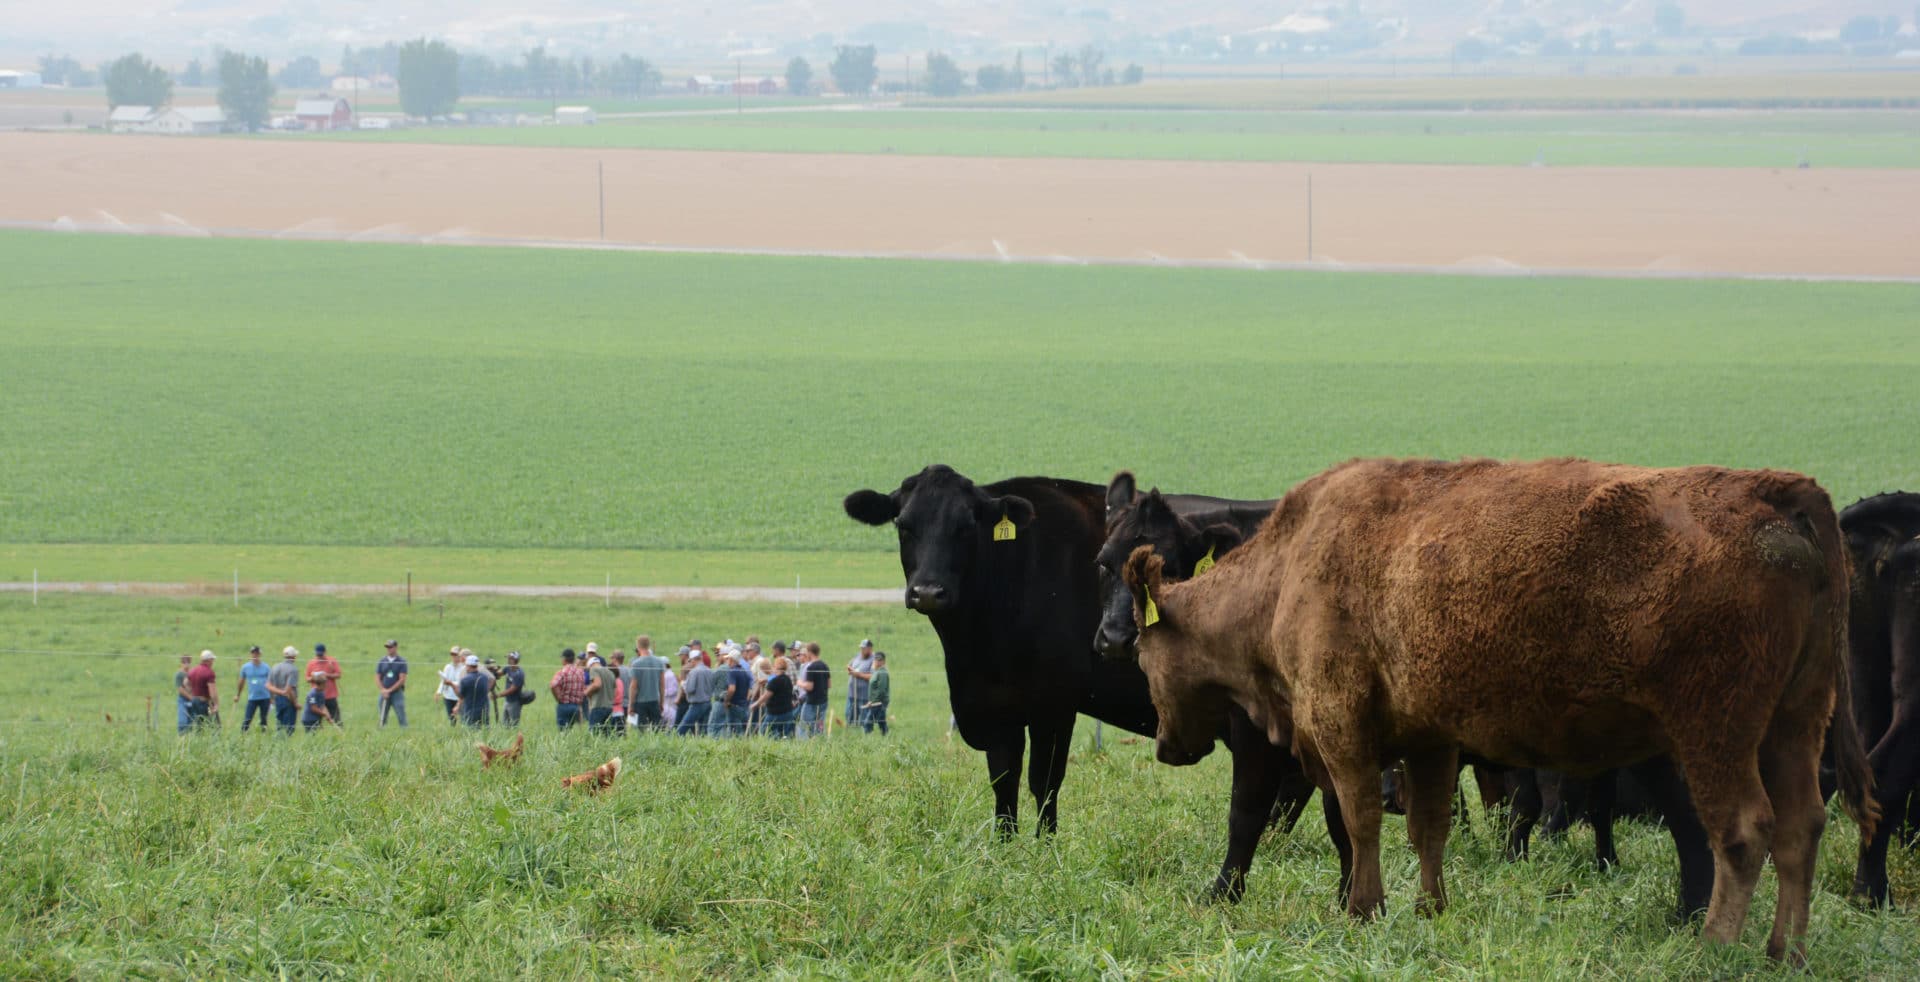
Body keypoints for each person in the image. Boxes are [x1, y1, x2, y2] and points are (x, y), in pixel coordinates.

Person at [626, 635, 667, 731]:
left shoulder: (636, 664)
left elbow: (633, 687)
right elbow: (662, 685)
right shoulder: (659, 662)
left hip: (640, 703)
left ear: (638, 646)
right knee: (658, 730)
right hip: (654, 701)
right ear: (648, 645)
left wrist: (631, 706)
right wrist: (661, 702)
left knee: (641, 731)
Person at [709, 649, 752, 737]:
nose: (727, 661)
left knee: (733, 732)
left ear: (731, 659)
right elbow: (749, 689)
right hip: (743, 706)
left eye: (728, 659)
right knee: (740, 731)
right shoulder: (744, 671)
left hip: (734, 706)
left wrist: (727, 701)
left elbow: (732, 689)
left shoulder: (732, 671)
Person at [753, 655, 797, 738]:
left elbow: (766, 695)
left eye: (774, 665)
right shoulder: (787, 679)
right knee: (783, 735)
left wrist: (755, 704)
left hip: (775, 713)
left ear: (777, 667)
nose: (773, 667)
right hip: (787, 712)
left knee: (765, 731)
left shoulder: (775, 681)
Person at [676, 651, 715, 736]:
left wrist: (683, 683)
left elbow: (690, 689)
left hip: (697, 704)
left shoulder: (694, 672)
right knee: (703, 731)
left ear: (693, 660)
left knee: (682, 728)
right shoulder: (709, 670)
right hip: (708, 703)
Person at [237, 645, 272, 732]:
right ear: (251, 654)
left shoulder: (266, 667)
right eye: (253, 653)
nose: (255, 655)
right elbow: (241, 682)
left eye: (257, 653)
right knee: (247, 718)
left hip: (265, 697)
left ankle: (263, 736)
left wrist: (272, 697)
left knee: (263, 719)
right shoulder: (245, 667)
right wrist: (238, 695)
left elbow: (270, 682)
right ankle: (243, 735)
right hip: (252, 697)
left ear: (260, 654)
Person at [798, 642, 831, 738]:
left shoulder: (811, 667)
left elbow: (809, 686)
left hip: (811, 702)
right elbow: (829, 684)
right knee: (819, 726)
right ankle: (818, 742)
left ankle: (802, 745)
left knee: (803, 725)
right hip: (823, 701)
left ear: (809, 652)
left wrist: (799, 683)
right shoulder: (825, 665)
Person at [267, 646, 301, 735]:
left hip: (277, 699)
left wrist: (276, 694)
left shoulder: (275, 667)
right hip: (289, 701)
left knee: (279, 726)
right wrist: (296, 703)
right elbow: (290, 690)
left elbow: (268, 685)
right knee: (289, 728)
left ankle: (279, 743)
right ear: (294, 657)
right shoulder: (293, 669)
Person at [550, 648, 586, 730]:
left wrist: (558, 697)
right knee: (576, 730)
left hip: (564, 705)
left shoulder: (562, 672)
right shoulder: (580, 672)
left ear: (564, 659)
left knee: (563, 732)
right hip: (577, 706)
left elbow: (553, 685)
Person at [376, 639, 409, 727]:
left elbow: (402, 679)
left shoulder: (401, 661)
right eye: (387, 647)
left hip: (397, 693)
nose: (389, 649)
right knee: (382, 717)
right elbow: (377, 677)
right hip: (384, 693)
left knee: (401, 715)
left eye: (390, 647)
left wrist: (389, 690)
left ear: (395, 647)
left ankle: (405, 733)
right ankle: (381, 733)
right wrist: (383, 690)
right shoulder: (382, 661)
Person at [306, 644, 342, 724]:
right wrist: (314, 678)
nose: (319, 657)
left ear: (325, 652)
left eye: (321, 655)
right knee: (316, 719)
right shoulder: (311, 663)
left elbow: (338, 674)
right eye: (318, 655)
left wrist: (327, 675)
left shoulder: (331, 661)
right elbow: (307, 678)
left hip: (330, 695)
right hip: (317, 695)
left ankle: (340, 732)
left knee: (336, 717)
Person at [845, 639, 876, 729]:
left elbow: (872, 677)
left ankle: (864, 734)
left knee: (864, 717)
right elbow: (849, 665)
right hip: (852, 693)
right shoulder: (858, 656)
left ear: (870, 649)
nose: (862, 650)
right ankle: (850, 731)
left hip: (864, 695)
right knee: (849, 714)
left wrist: (858, 674)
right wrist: (850, 669)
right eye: (861, 648)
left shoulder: (873, 660)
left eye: (864, 648)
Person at [454, 654, 492, 728]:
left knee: (471, 734)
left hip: (471, 713)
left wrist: (452, 685)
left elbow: (460, 695)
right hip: (484, 712)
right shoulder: (484, 677)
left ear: (468, 665)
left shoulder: (465, 680)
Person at [584, 653, 617, 735]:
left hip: (597, 707)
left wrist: (586, 692)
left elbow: (597, 684)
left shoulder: (594, 669)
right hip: (610, 708)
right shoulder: (610, 672)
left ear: (590, 665)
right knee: (607, 736)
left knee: (594, 735)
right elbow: (615, 690)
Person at [185, 650, 218, 729]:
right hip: (204, 702)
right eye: (212, 660)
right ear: (208, 660)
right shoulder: (209, 673)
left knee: (199, 725)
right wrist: (215, 704)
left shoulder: (193, 670)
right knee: (215, 726)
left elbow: (185, 683)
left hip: (194, 700)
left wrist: (192, 692)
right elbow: (212, 692)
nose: (213, 662)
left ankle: (199, 740)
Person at [862, 651, 891, 735]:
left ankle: (867, 740)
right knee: (881, 722)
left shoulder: (882, 673)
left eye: (879, 660)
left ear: (883, 661)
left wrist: (872, 701)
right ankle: (885, 737)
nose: (877, 662)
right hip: (876, 702)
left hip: (878, 702)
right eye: (876, 660)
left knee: (868, 722)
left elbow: (881, 690)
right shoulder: (877, 671)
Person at [499, 651, 527, 727]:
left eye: (510, 658)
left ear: (515, 660)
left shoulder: (519, 674)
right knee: (505, 723)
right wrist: (493, 671)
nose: (508, 660)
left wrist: (498, 695)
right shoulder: (508, 668)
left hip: (515, 702)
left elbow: (512, 689)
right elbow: (499, 674)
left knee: (514, 724)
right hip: (507, 701)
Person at [437, 646, 462, 723]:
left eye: (455, 655)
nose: (454, 657)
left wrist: (450, 682)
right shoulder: (448, 667)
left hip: (459, 696)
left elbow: (461, 682)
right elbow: (443, 680)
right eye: (452, 655)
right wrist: (439, 692)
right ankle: (453, 730)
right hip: (448, 696)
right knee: (451, 717)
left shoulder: (463, 668)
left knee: (462, 716)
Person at [174, 653, 193, 734]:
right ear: (181, 663)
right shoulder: (179, 674)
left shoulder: (192, 673)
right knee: (182, 721)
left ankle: (190, 736)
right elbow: (180, 689)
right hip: (183, 699)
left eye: (188, 662)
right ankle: (181, 736)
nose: (186, 664)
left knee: (192, 720)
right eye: (184, 662)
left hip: (193, 699)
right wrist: (190, 697)